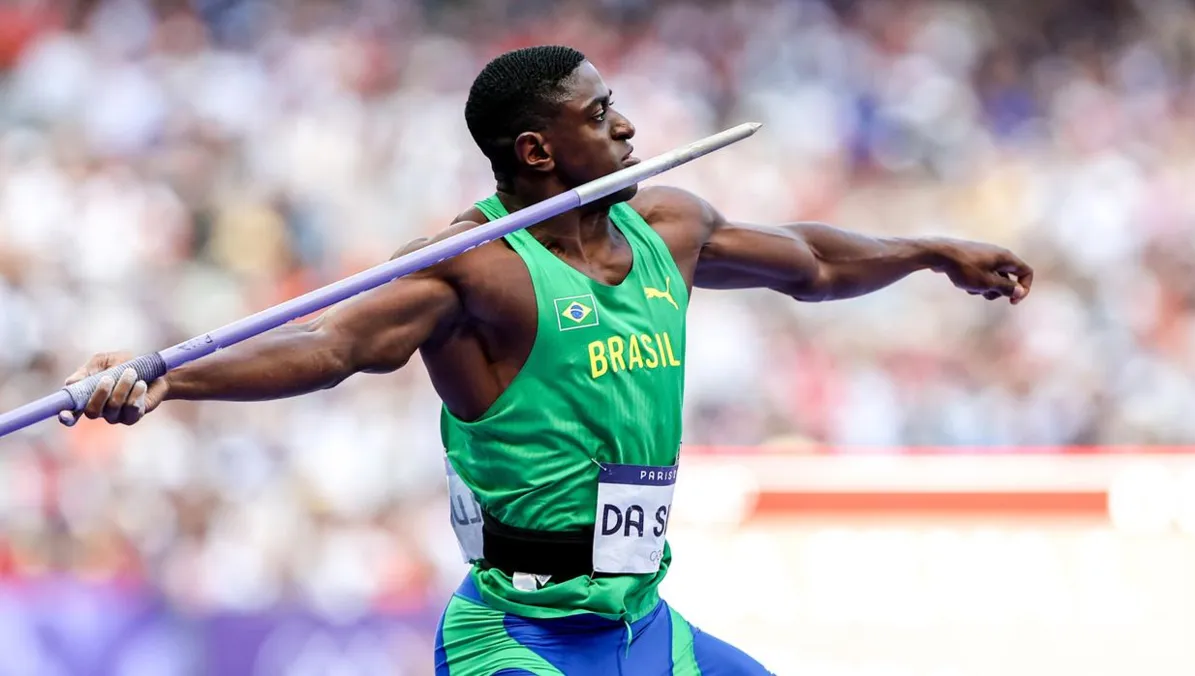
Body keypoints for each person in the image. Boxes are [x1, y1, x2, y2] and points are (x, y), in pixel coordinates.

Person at [62, 45, 1033, 674]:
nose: (630, 128)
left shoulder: (669, 225)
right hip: (517, 639)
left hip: (642, 625)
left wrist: (930, 252)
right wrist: (164, 375)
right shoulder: (473, 272)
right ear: (536, 149)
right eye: (602, 114)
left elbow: (814, 262)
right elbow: (331, 345)